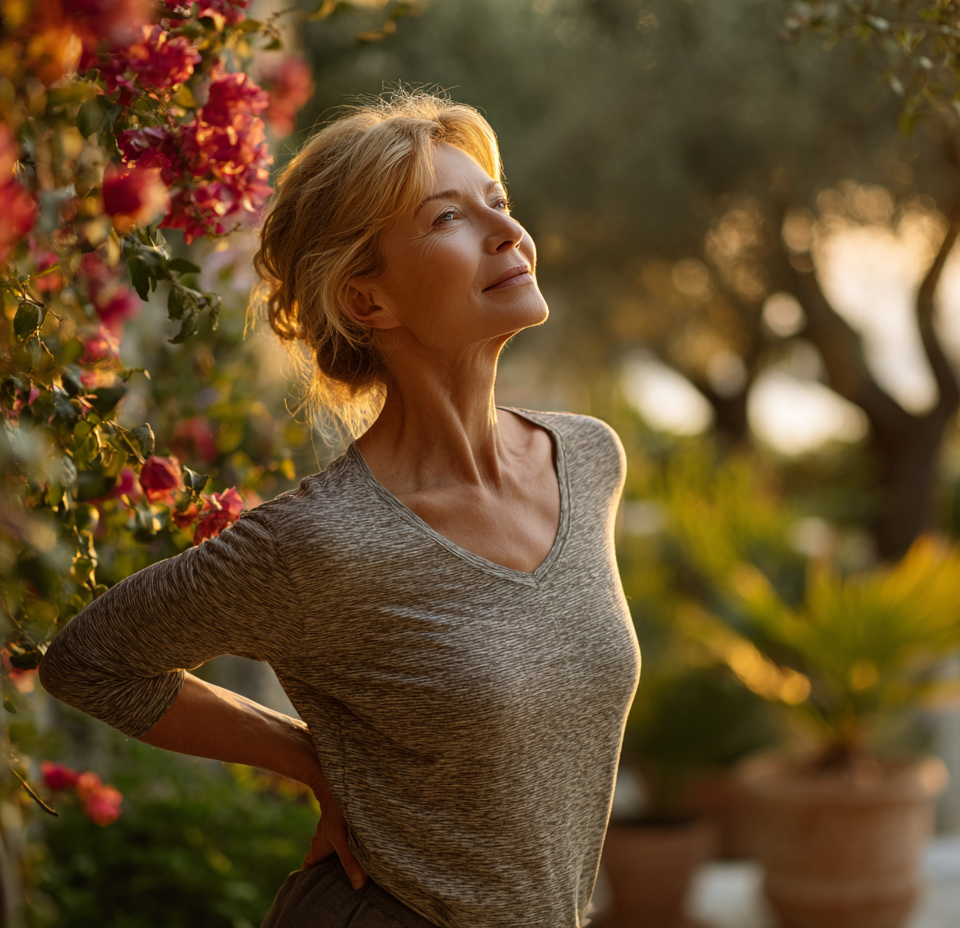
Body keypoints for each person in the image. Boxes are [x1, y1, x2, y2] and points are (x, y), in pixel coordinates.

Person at [39, 90, 641, 928]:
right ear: (368, 302)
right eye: (446, 219)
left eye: (497, 203)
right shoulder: (322, 542)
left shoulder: (585, 458)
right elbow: (88, 663)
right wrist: (314, 761)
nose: (506, 232)